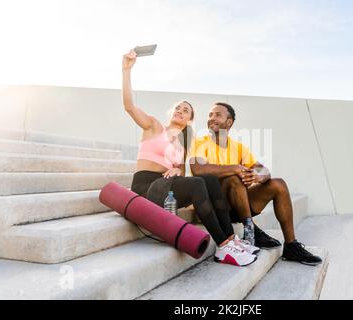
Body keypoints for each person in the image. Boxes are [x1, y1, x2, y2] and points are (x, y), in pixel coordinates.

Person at [121, 50, 259, 266]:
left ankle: (231, 239)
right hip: (145, 187)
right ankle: (223, 246)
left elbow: (182, 174)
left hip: (167, 188)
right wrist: (126, 70)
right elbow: (129, 106)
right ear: (172, 113)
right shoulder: (154, 126)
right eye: (178, 108)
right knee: (196, 184)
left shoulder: (182, 144)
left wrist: (178, 170)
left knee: (209, 181)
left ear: (190, 119)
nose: (180, 111)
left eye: (186, 110)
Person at [189, 102, 322, 266]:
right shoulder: (199, 142)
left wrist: (258, 176)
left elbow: (263, 170)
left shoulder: (238, 148)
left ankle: (291, 245)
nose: (211, 118)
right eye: (210, 115)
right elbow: (198, 169)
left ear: (229, 122)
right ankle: (251, 230)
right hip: (215, 207)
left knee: (278, 184)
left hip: (239, 203)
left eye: (217, 115)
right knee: (233, 178)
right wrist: (236, 168)